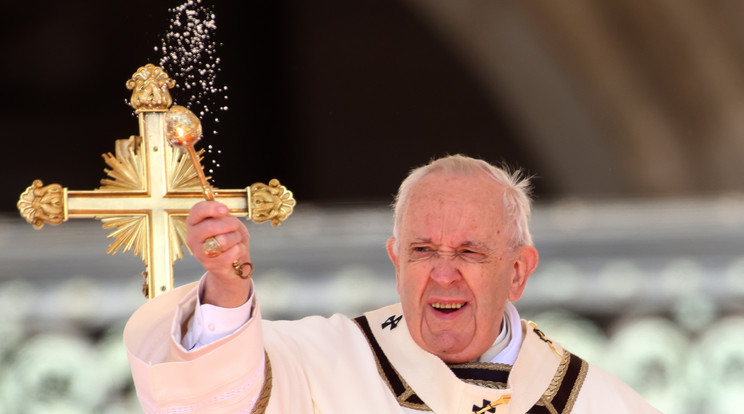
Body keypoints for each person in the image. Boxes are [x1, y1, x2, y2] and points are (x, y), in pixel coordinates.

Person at [125, 154, 661, 413]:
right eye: (422, 251)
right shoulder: (322, 365)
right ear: (395, 260)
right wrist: (227, 288)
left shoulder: (596, 404)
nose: (443, 274)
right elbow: (213, 401)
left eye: (470, 253)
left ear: (517, 271)